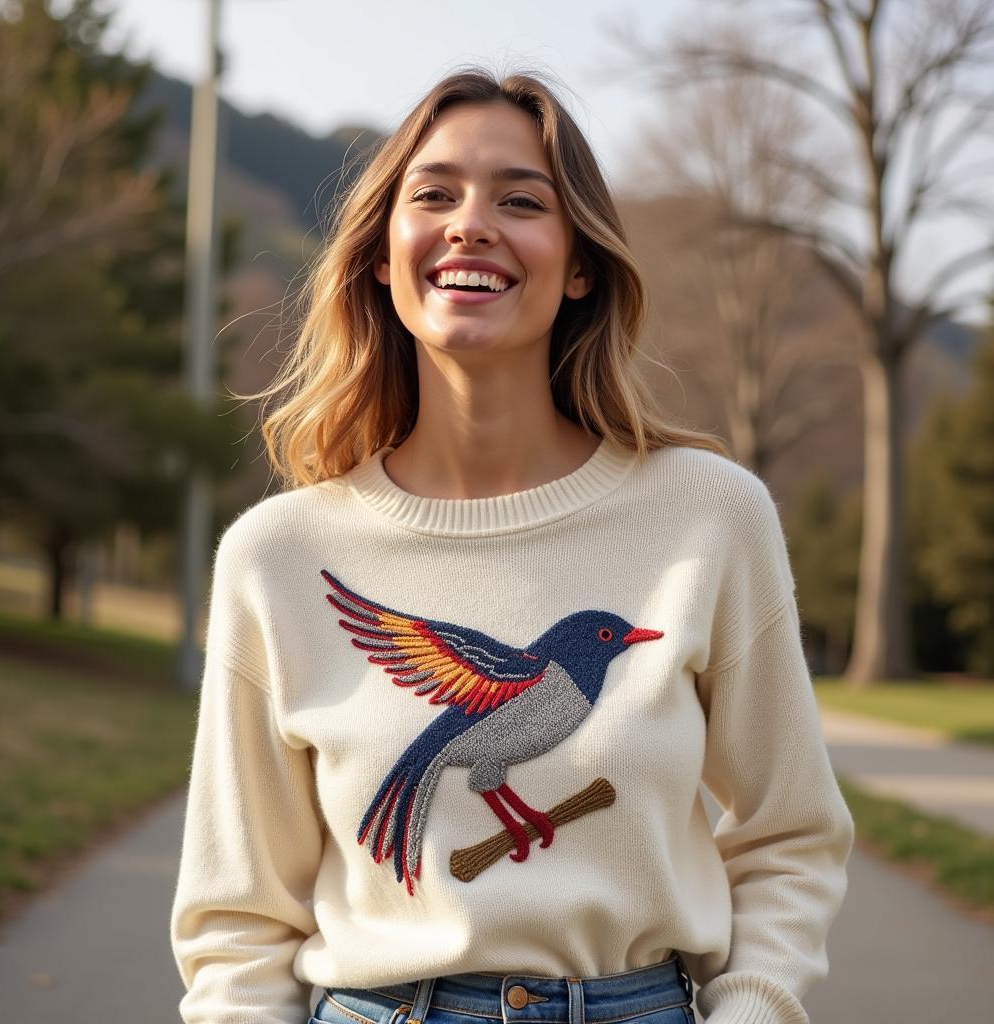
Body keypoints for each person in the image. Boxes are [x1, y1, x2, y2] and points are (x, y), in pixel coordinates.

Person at [169, 67, 854, 1024]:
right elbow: (237, 924)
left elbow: (790, 835)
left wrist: (754, 1008)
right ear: (380, 254)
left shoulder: (710, 517)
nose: (471, 223)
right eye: (434, 194)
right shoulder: (278, 554)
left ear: (580, 265)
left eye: (521, 200)